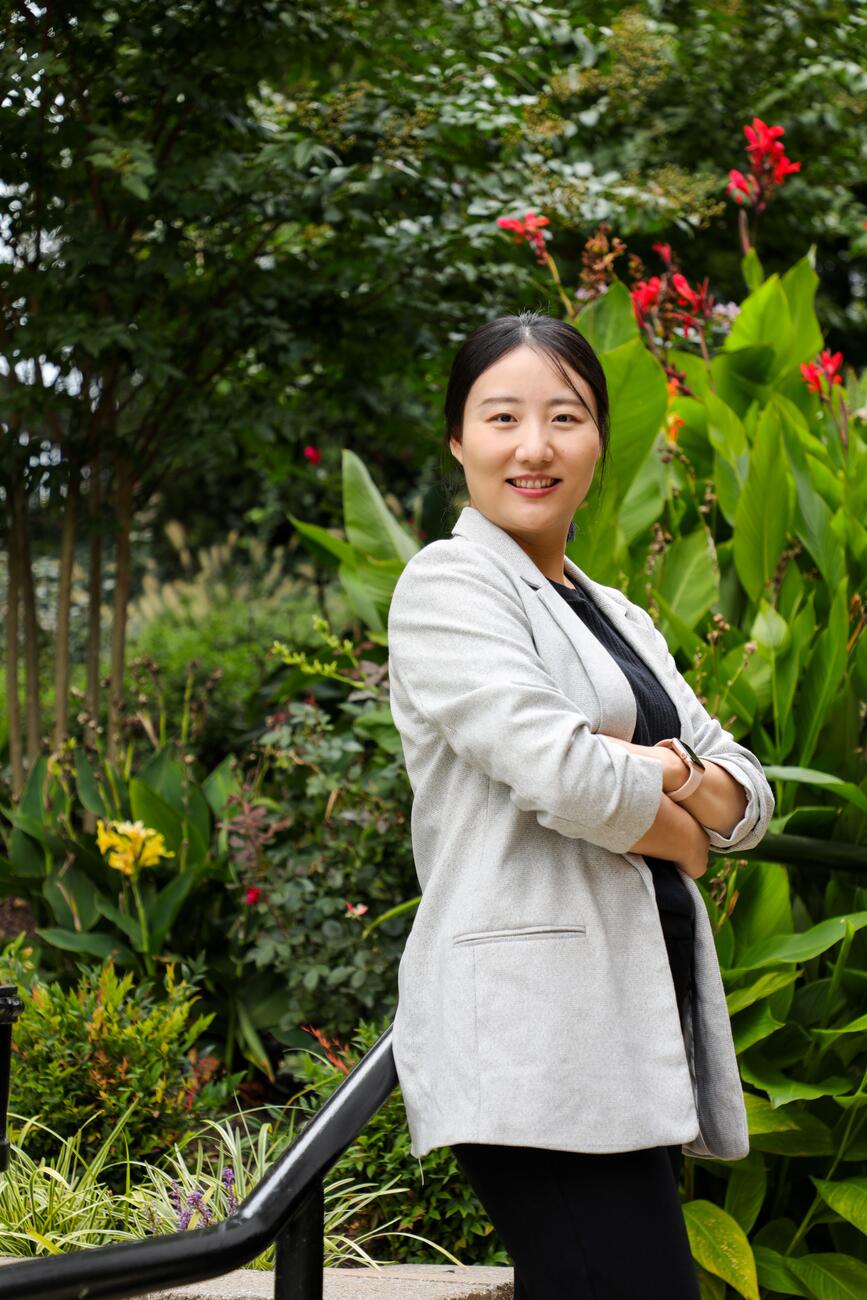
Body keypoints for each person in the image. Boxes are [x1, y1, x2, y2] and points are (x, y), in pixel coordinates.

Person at [386, 310, 775, 1298]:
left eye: (564, 416)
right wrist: (683, 815)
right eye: (502, 415)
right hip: (531, 1042)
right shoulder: (450, 584)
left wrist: (673, 782)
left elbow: (747, 794)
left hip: (624, 1033)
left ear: (600, 437)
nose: (534, 445)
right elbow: (558, 772)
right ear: (458, 439)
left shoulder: (619, 612)